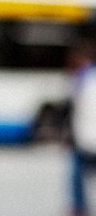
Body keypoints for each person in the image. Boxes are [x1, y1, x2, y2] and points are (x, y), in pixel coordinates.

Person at [68, 39, 96, 216]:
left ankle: (79, 208)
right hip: (86, 136)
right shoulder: (84, 78)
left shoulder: (84, 78)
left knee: (77, 177)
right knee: (77, 176)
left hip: (87, 137)